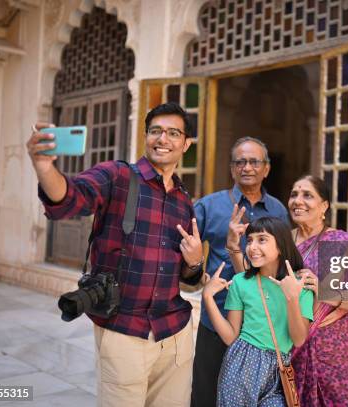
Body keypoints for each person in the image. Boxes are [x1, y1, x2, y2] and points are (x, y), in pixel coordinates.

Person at [26, 102, 204, 407]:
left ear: (186, 143)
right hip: (125, 331)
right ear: (146, 136)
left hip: (175, 333)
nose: (163, 139)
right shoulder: (118, 176)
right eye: (156, 131)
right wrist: (44, 167)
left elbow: (188, 280)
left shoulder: (184, 200)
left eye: (173, 133)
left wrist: (195, 260)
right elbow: (70, 198)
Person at [191, 137, 289, 407]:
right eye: (241, 162)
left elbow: (285, 262)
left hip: (263, 328)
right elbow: (188, 254)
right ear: (232, 168)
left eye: (255, 161)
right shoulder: (208, 206)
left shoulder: (279, 211)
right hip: (219, 318)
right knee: (206, 395)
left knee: (257, 398)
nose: (248, 167)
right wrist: (200, 277)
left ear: (266, 168)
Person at [288, 175, 348, 407]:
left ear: (324, 206)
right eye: (294, 194)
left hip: (334, 350)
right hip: (291, 342)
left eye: (307, 195)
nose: (298, 201)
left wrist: (322, 289)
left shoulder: (343, 244)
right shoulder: (284, 242)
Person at [202, 217, 313, 406]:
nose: (252, 247)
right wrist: (207, 298)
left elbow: (299, 339)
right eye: (250, 240)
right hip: (241, 365)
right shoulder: (240, 282)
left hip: (278, 369)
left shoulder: (300, 286)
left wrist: (292, 297)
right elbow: (230, 336)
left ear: (281, 245)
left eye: (262, 239)